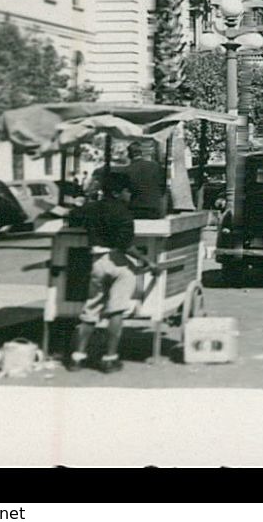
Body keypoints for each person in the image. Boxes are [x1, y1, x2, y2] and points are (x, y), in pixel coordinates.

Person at [64, 172, 147, 374]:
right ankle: (109, 359)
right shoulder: (124, 213)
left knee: (90, 309)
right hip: (118, 264)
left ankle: (77, 357)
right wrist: (148, 262)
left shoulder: (91, 208)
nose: (130, 195)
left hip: (97, 262)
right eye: (128, 191)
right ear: (119, 192)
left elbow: (72, 217)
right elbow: (125, 245)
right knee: (116, 311)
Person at [124, 149, 169, 219]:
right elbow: (163, 186)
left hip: (136, 210)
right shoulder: (155, 165)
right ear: (141, 154)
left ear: (129, 156)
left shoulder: (128, 169)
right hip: (155, 210)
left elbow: (129, 190)